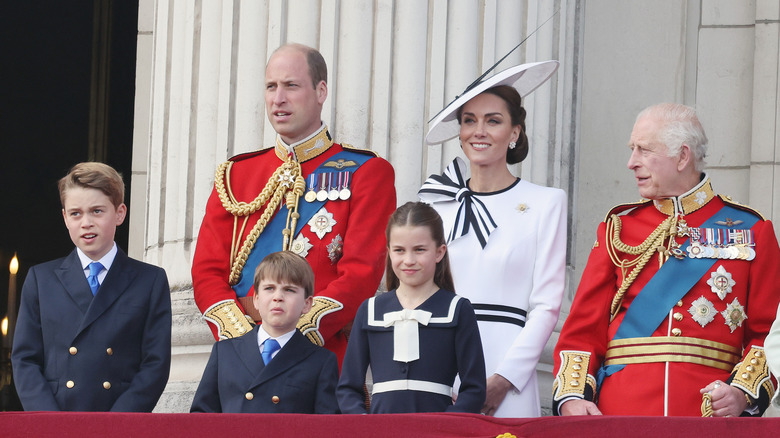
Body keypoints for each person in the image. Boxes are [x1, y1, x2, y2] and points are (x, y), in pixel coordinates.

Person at [553, 103, 780, 417]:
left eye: (644, 150)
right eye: (633, 149)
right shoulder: (618, 228)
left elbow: (768, 334)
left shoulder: (753, 230)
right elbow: (581, 332)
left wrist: (742, 392)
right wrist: (572, 398)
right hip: (620, 412)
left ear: (682, 157)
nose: (631, 162)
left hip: (707, 415)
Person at [191, 43, 396, 364]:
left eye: (291, 85)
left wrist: (291, 338)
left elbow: (361, 274)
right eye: (271, 86)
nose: (278, 98)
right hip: (241, 356)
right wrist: (246, 342)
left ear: (321, 90)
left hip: (319, 356)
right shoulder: (235, 174)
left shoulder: (366, 172)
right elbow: (207, 273)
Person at [418, 61, 566, 417]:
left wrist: (504, 378)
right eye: (469, 120)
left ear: (515, 132)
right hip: (438, 365)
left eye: (493, 120)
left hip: (507, 370)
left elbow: (546, 306)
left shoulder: (547, 202)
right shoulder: (433, 202)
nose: (478, 131)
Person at [11, 162, 171, 412]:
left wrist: (115, 425)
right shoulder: (40, 280)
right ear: (65, 217)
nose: (86, 222)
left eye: (97, 211)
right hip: (56, 424)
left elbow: (155, 364)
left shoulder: (149, 281)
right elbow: (25, 360)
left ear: (119, 213)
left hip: (119, 425)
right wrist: (50, 424)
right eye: (76, 213)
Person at [337, 202, 486, 414]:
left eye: (419, 250)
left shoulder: (458, 309)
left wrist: (447, 427)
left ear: (439, 252)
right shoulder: (370, 310)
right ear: (388, 252)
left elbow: (474, 389)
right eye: (399, 250)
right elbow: (348, 388)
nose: (409, 260)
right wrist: (363, 424)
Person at [191, 251, 339, 413]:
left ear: (307, 304)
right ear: (256, 299)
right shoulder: (225, 352)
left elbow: (326, 427)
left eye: (289, 290)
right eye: (269, 288)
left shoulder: (321, 361)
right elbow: (202, 417)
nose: (278, 297)